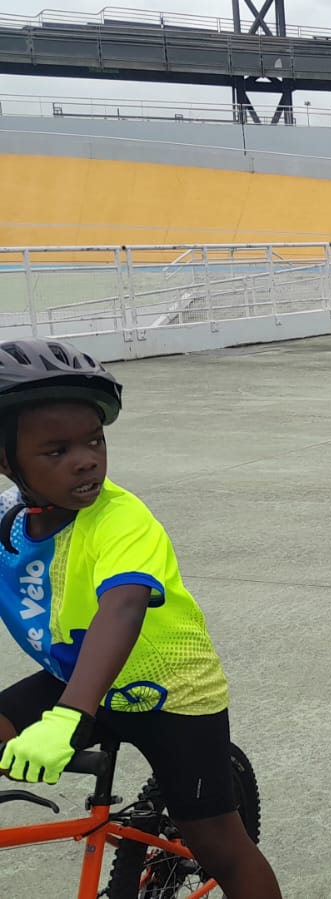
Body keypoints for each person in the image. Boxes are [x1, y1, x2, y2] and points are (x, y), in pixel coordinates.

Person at [0, 339, 282, 898]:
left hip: (169, 694)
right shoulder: (9, 516)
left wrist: (66, 719)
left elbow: (123, 606)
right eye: (56, 451)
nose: (86, 459)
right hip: (75, 675)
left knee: (219, 845)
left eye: (94, 441)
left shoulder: (123, 517)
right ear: (6, 461)